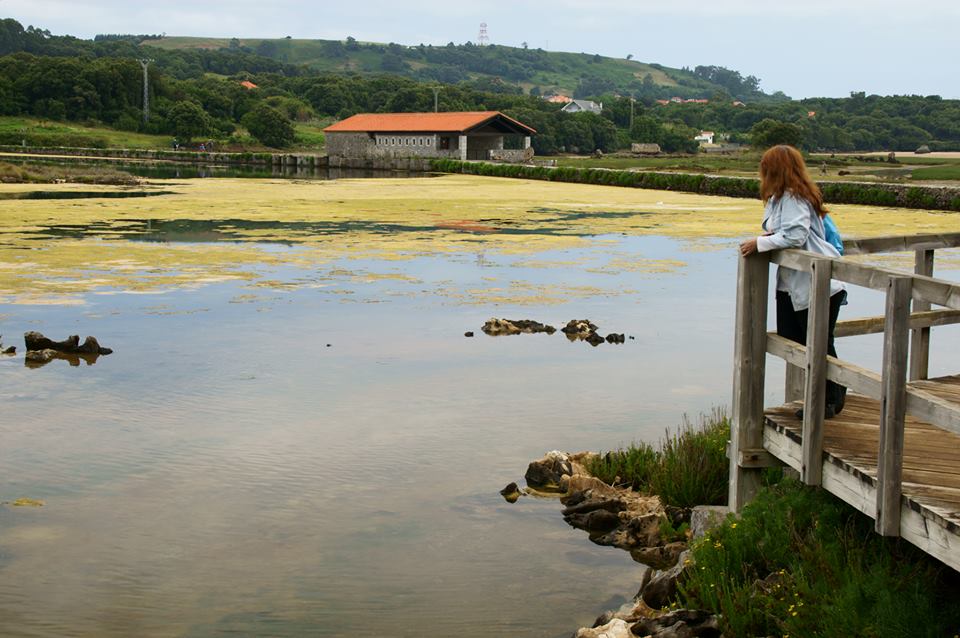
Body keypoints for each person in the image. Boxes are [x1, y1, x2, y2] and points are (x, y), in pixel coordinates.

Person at [739, 145, 847, 418]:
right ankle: (826, 395)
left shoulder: (794, 197)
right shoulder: (779, 198)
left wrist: (759, 243)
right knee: (792, 337)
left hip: (816, 283)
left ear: (776, 170)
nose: (761, 173)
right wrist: (766, 240)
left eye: (765, 168)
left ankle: (829, 399)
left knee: (818, 342)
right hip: (793, 283)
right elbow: (784, 231)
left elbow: (795, 235)